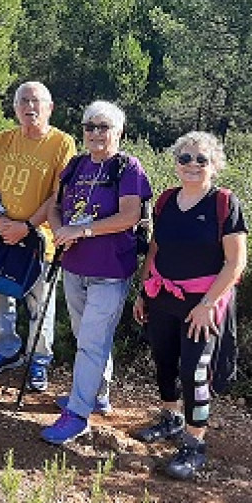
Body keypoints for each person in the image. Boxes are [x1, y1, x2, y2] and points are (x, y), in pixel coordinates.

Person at [132, 132, 247, 480]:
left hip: (204, 302)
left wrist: (208, 304)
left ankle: (194, 443)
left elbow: (235, 262)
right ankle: (171, 417)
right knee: (163, 359)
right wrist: (143, 290)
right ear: (176, 163)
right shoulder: (166, 201)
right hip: (163, 294)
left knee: (194, 370)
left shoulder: (224, 204)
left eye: (201, 159)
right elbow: (155, 249)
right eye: (185, 158)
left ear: (215, 165)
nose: (193, 165)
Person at [42, 101, 151, 444]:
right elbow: (54, 207)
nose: (95, 133)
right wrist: (60, 229)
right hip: (74, 267)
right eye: (90, 126)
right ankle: (97, 393)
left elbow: (129, 216)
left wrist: (82, 231)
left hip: (111, 270)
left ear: (119, 132)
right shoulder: (75, 165)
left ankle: (77, 414)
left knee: (91, 342)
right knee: (85, 337)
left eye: (103, 127)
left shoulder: (128, 168)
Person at [0, 81, 76, 391]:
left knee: (40, 304)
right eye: (23, 100)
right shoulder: (2, 141)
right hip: (2, 232)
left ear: (49, 108)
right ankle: (8, 351)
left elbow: (58, 197)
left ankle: (39, 361)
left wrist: (28, 226)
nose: (29, 106)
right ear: (15, 107)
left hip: (39, 237)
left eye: (36, 101)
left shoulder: (62, 144)